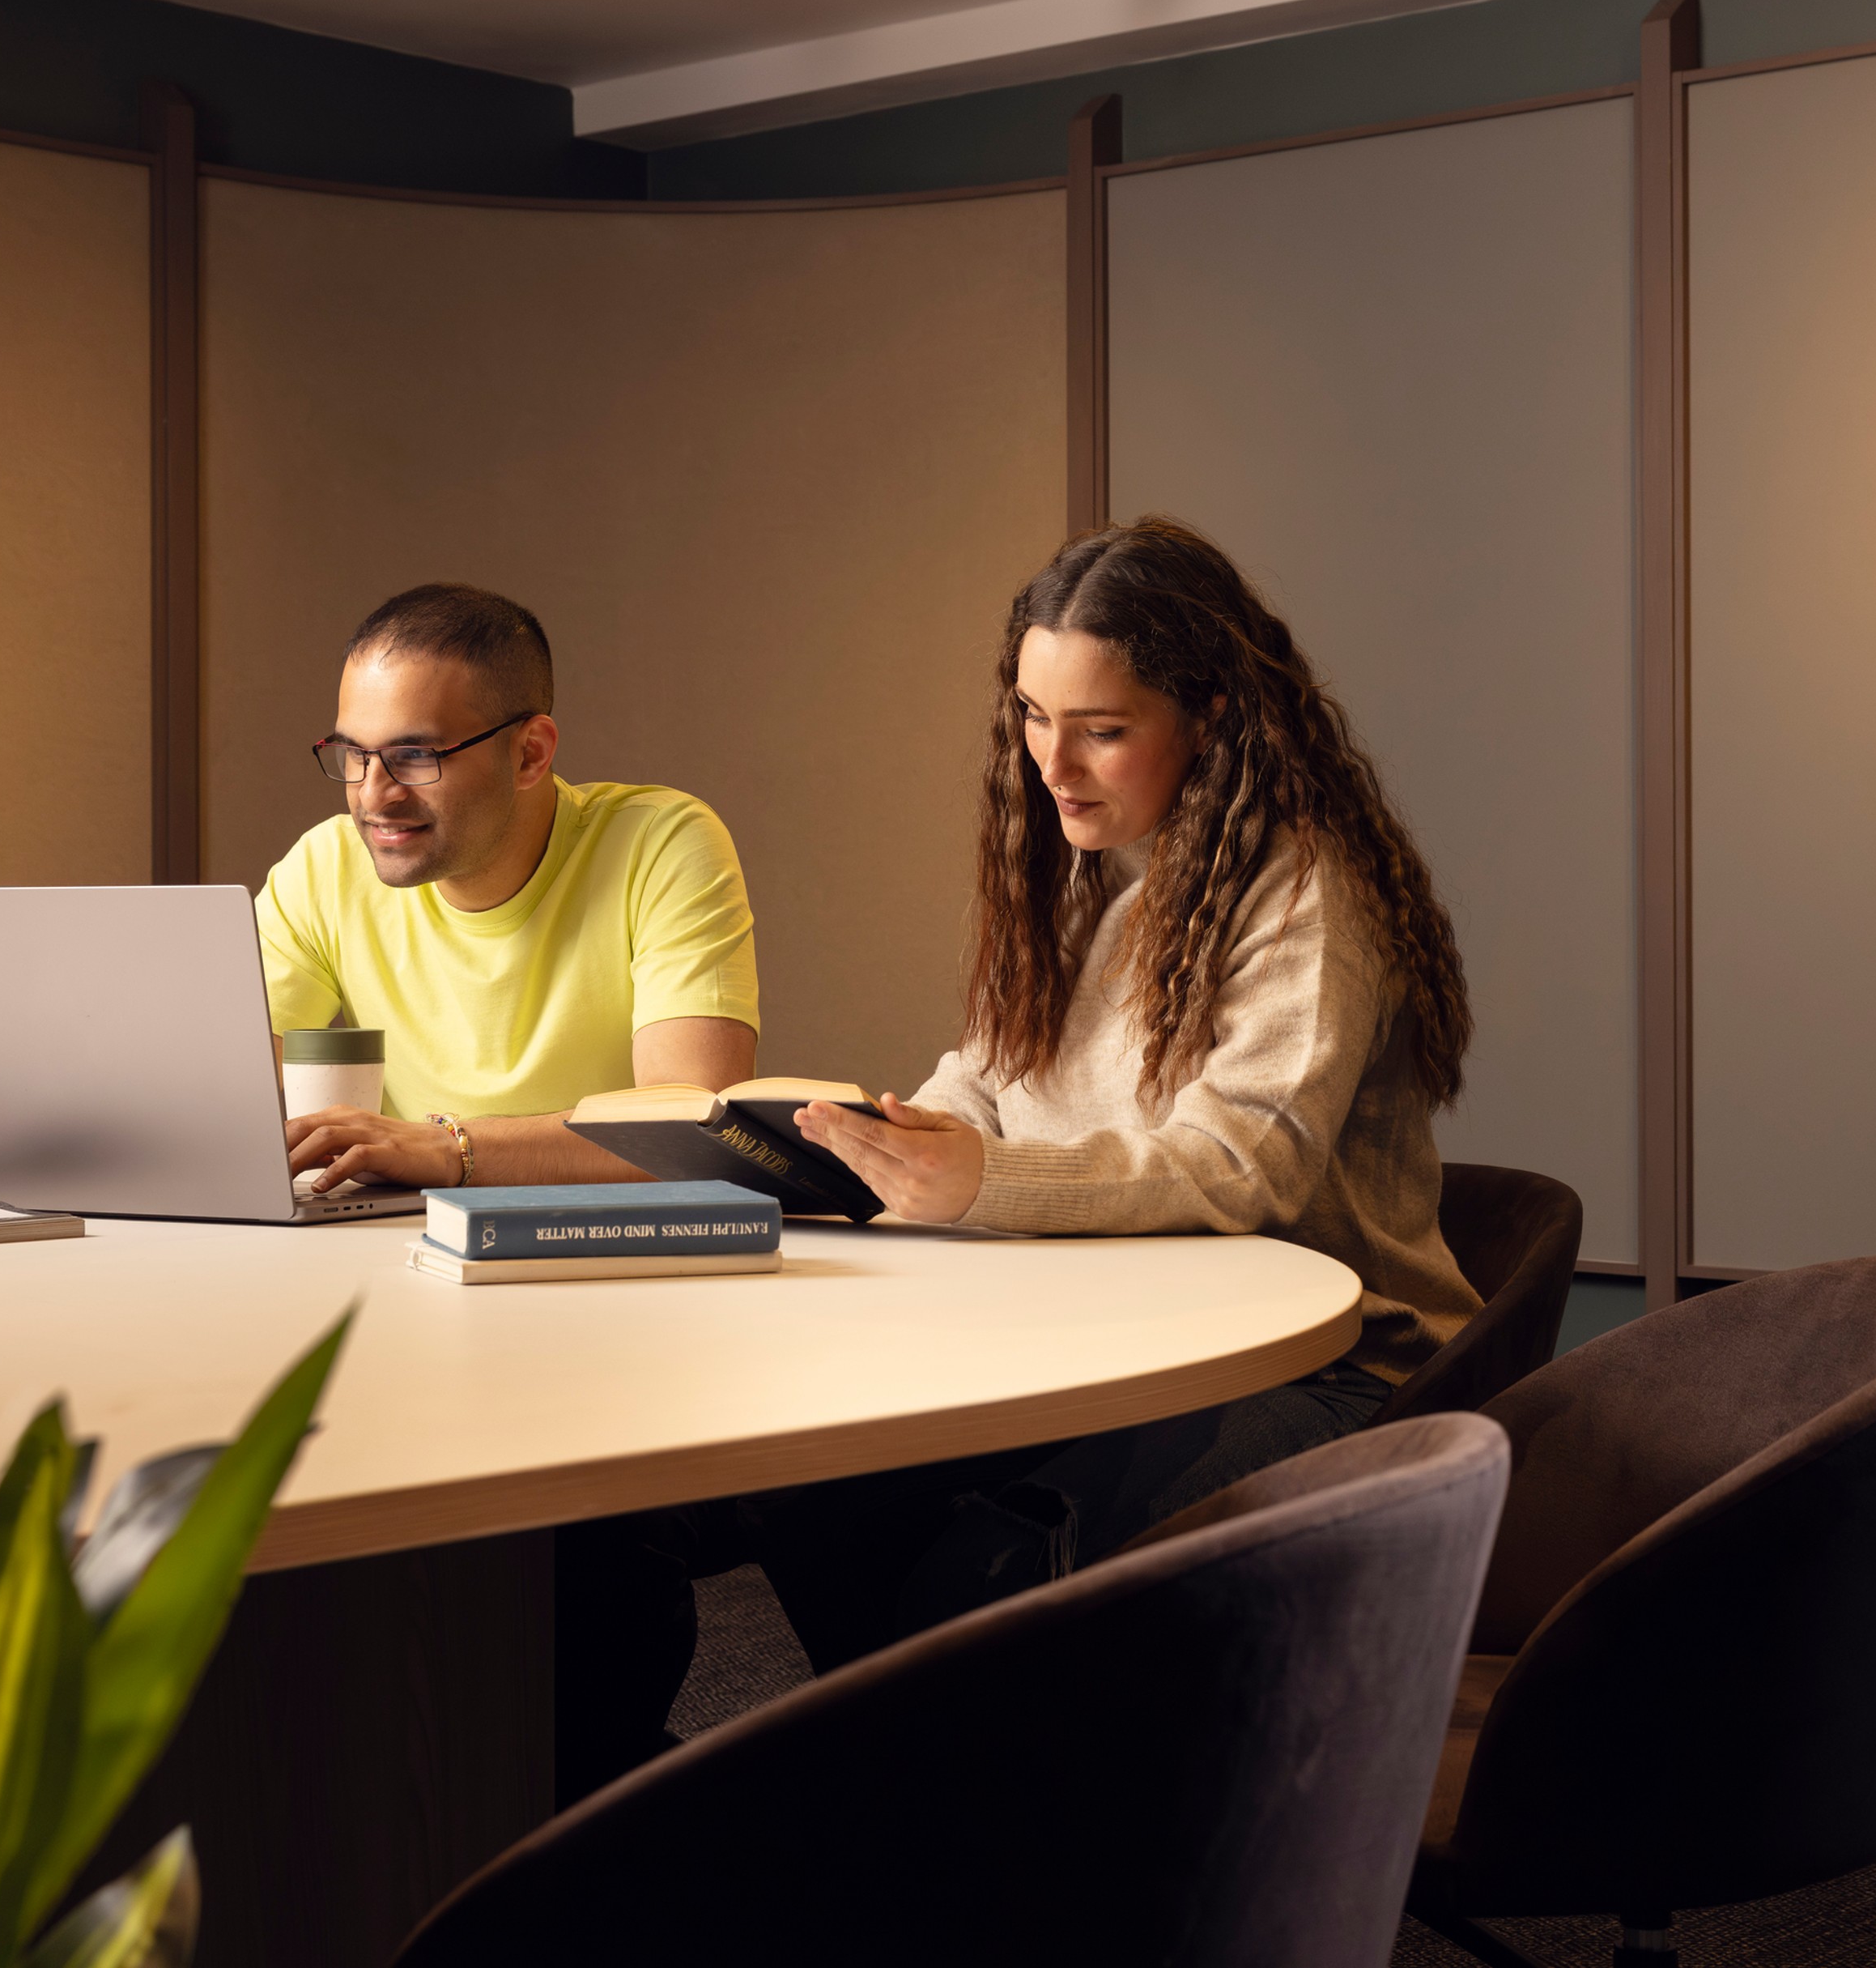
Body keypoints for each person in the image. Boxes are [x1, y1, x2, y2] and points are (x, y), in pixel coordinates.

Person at [557, 518, 1478, 1798]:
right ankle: (957, 1805)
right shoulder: (1088, 865)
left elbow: (1238, 1169)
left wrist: (981, 1181)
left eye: (1100, 725)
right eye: (1034, 715)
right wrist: (874, 1142)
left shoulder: (1302, 892)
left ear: (1211, 713)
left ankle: (1017, 1826)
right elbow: (987, 1076)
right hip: (1123, 1330)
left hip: (1327, 1364)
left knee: (993, 1557)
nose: (1055, 761)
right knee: (822, 1489)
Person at [265, 583, 759, 1189]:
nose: (373, 796)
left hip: (612, 1253)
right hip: (408, 1250)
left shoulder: (659, 843)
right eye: (354, 753)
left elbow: (690, 1123)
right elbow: (219, 1091)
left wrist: (451, 1149)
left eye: (415, 755)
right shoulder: (324, 867)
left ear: (530, 754)